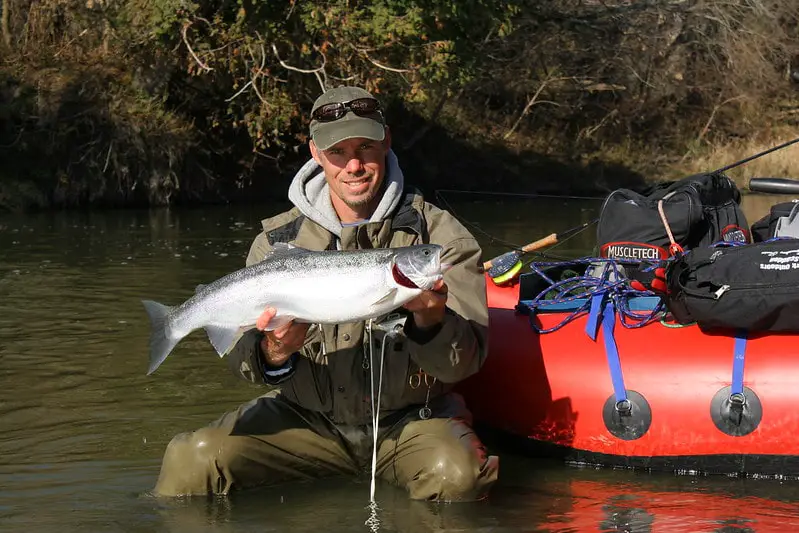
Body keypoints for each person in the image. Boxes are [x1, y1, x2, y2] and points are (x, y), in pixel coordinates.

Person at [153, 86, 498, 501]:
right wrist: (274, 352)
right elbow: (242, 365)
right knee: (192, 462)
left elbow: (467, 363)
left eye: (366, 148)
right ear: (316, 153)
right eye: (338, 152)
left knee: (460, 477)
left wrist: (430, 321)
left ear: (387, 142)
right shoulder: (276, 241)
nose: (354, 165)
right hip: (305, 420)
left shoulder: (442, 237)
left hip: (411, 421)